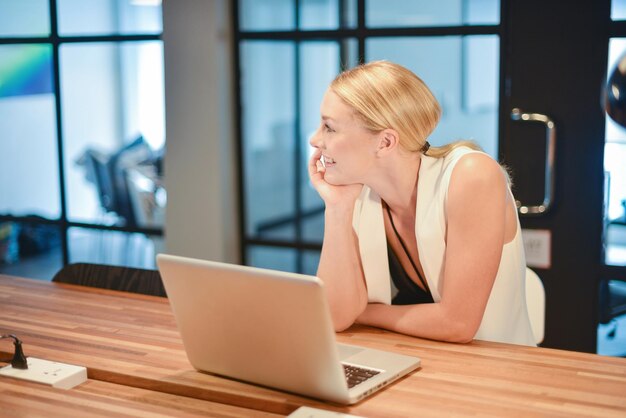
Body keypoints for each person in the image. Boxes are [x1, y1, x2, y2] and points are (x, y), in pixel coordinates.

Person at [308, 60, 535, 346]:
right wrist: (337, 209)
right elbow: (334, 317)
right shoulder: (358, 191)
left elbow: (457, 324)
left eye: (329, 127)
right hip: (423, 365)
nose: (315, 140)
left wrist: (366, 313)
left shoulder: (472, 176)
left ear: (386, 142)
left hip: (496, 374)